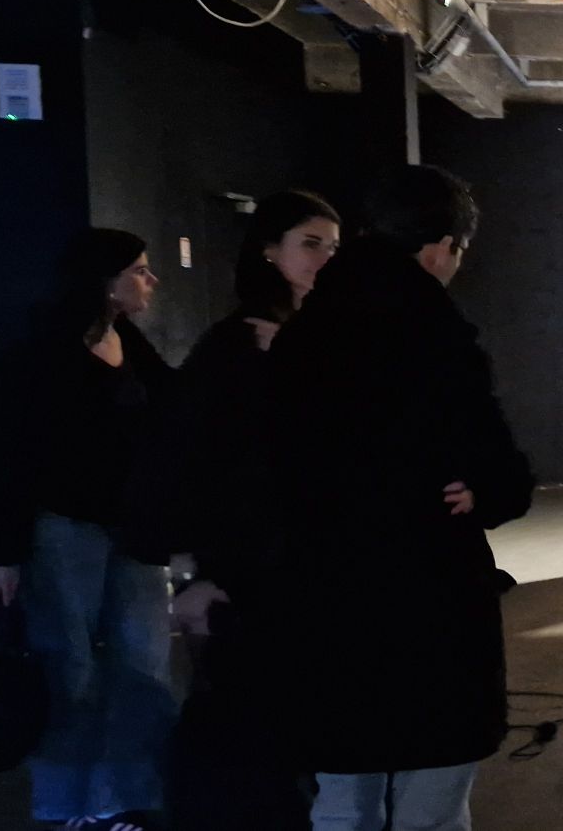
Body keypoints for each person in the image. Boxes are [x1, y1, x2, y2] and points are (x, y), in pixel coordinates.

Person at [269, 166, 534, 831]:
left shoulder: (305, 330)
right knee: (433, 792)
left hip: (326, 589)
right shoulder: (436, 331)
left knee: (343, 790)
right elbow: (493, 462)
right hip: (426, 587)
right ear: (441, 247)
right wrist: (490, 490)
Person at [158, 191, 341, 830]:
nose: (324, 259)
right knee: (254, 710)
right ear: (269, 250)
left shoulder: (310, 335)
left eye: (333, 247)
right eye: (310, 244)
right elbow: (212, 463)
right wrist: (203, 570)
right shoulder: (238, 342)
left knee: (290, 708)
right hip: (255, 564)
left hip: (303, 558)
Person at [0, 228, 175, 831]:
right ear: (106, 281)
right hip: (65, 526)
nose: (150, 280)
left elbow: (175, 411)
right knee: (69, 666)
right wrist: (7, 550)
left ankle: (124, 797)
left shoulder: (131, 343)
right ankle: (68, 802)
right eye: (139, 270)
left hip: (130, 526)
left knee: (142, 662)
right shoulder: (43, 352)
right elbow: (13, 453)